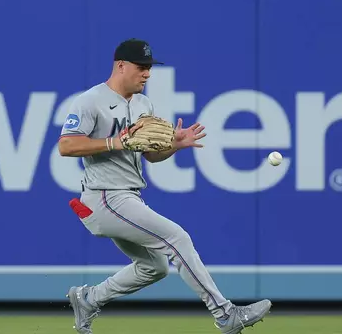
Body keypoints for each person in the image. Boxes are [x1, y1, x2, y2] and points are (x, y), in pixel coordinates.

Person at [58, 38, 272, 334]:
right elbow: (66, 146)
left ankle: (88, 299)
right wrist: (113, 141)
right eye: (141, 67)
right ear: (121, 66)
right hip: (104, 197)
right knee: (177, 238)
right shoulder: (90, 101)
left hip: (129, 196)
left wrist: (175, 144)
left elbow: (150, 154)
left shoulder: (144, 104)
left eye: (149, 68)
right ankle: (225, 314)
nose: (147, 73)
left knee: (154, 267)